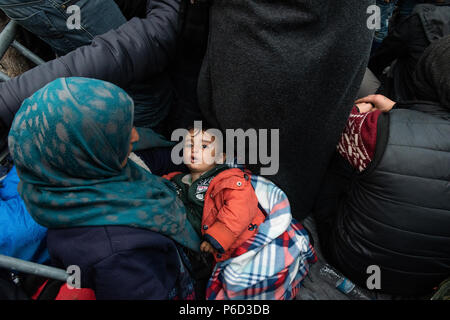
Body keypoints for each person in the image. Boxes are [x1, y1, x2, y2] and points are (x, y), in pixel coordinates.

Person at [8, 77, 201, 300]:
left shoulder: (61, 177)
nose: (136, 135)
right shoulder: (119, 256)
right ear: (84, 154)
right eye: (118, 133)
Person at [313, 35, 450, 297]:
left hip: (353, 260)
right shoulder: (382, 129)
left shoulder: (375, 129)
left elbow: (333, 131)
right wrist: (398, 113)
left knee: (343, 164)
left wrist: (367, 114)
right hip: (425, 281)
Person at [367, 1, 450, 101]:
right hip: (424, 106)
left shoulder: (420, 20)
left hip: (400, 100)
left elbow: (382, 56)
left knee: (358, 72)